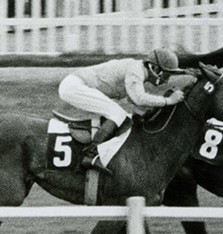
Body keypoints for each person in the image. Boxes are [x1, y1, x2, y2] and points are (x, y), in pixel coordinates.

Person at [56, 46, 184, 168]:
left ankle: (100, 147)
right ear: (154, 68)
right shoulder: (136, 70)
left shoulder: (137, 70)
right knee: (117, 114)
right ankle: (91, 154)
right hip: (75, 86)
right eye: (166, 74)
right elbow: (139, 98)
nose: (166, 80)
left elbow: (135, 103)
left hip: (76, 85)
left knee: (122, 115)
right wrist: (168, 101)